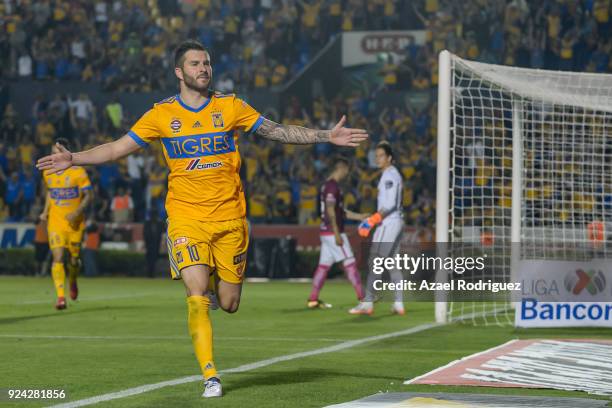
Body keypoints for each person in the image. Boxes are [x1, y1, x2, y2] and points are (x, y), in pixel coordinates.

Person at [37, 39, 367, 399]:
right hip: (185, 218)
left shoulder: (230, 106)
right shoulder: (161, 115)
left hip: (230, 220)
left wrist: (325, 136)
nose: (204, 69)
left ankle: (211, 279)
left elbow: (276, 130)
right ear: (179, 72)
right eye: (195, 64)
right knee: (196, 295)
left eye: (207, 63)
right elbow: (117, 148)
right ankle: (211, 375)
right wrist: (76, 158)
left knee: (228, 303)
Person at [351, 141, 405, 316]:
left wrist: (371, 221)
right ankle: (399, 304)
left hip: (388, 222)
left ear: (389, 158)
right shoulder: (390, 174)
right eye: (376, 156)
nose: (378, 159)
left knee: (376, 262)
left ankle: (368, 303)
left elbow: (389, 205)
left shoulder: (389, 175)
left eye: (381, 155)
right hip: (394, 222)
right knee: (393, 264)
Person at [307, 157, 368, 309]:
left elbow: (340, 212)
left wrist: (360, 216)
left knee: (323, 266)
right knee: (350, 263)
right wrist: (336, 233)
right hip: (332, 232)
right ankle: (363, 298)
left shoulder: (328, 186)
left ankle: (313, 299)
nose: (347, 174)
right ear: (340, 168)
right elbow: (330, 210)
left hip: (325, 232)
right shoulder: (332, 187)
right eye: (346, 170)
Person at [39, 137, 93, 310]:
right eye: (52, 153)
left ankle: (73, 279)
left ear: (65, 153)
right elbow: (50, 193)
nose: (53, 157)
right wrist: (45, 211)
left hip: (75, 223)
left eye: (57, 153)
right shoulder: (47, 172)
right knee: (58, 257)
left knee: (74, 260)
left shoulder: (78, 172)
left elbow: (89, 195)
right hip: (56, 221)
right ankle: (61, 297)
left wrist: (77, 212)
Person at [144, 207, 165, 278]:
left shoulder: (160, 223)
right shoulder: (147, 223)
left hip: (157, 245)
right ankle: (149, 274)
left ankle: (153, 274)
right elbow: (145, 235)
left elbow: (163, 234)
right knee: (149, 260)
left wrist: (162, 244)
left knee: (155, 260)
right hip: (149, 245)